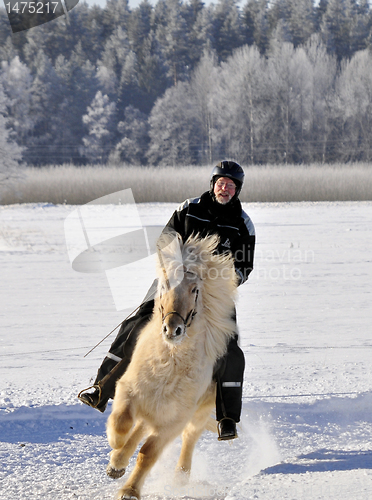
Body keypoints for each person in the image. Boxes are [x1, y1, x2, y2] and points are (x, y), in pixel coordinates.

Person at [78, 160, 256, 440]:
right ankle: (102, 389)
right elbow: (165, 239)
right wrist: (173, 267)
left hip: (212, 291)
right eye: (221, 183)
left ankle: (227, 418)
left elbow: (245, 266)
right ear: (213, 184)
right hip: (173, 279)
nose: (225, 188)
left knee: (230, 348)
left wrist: (222, 280)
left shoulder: (243, 223)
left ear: (237, 190)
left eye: (231, 185)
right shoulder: (189, 208)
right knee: (135, 325)